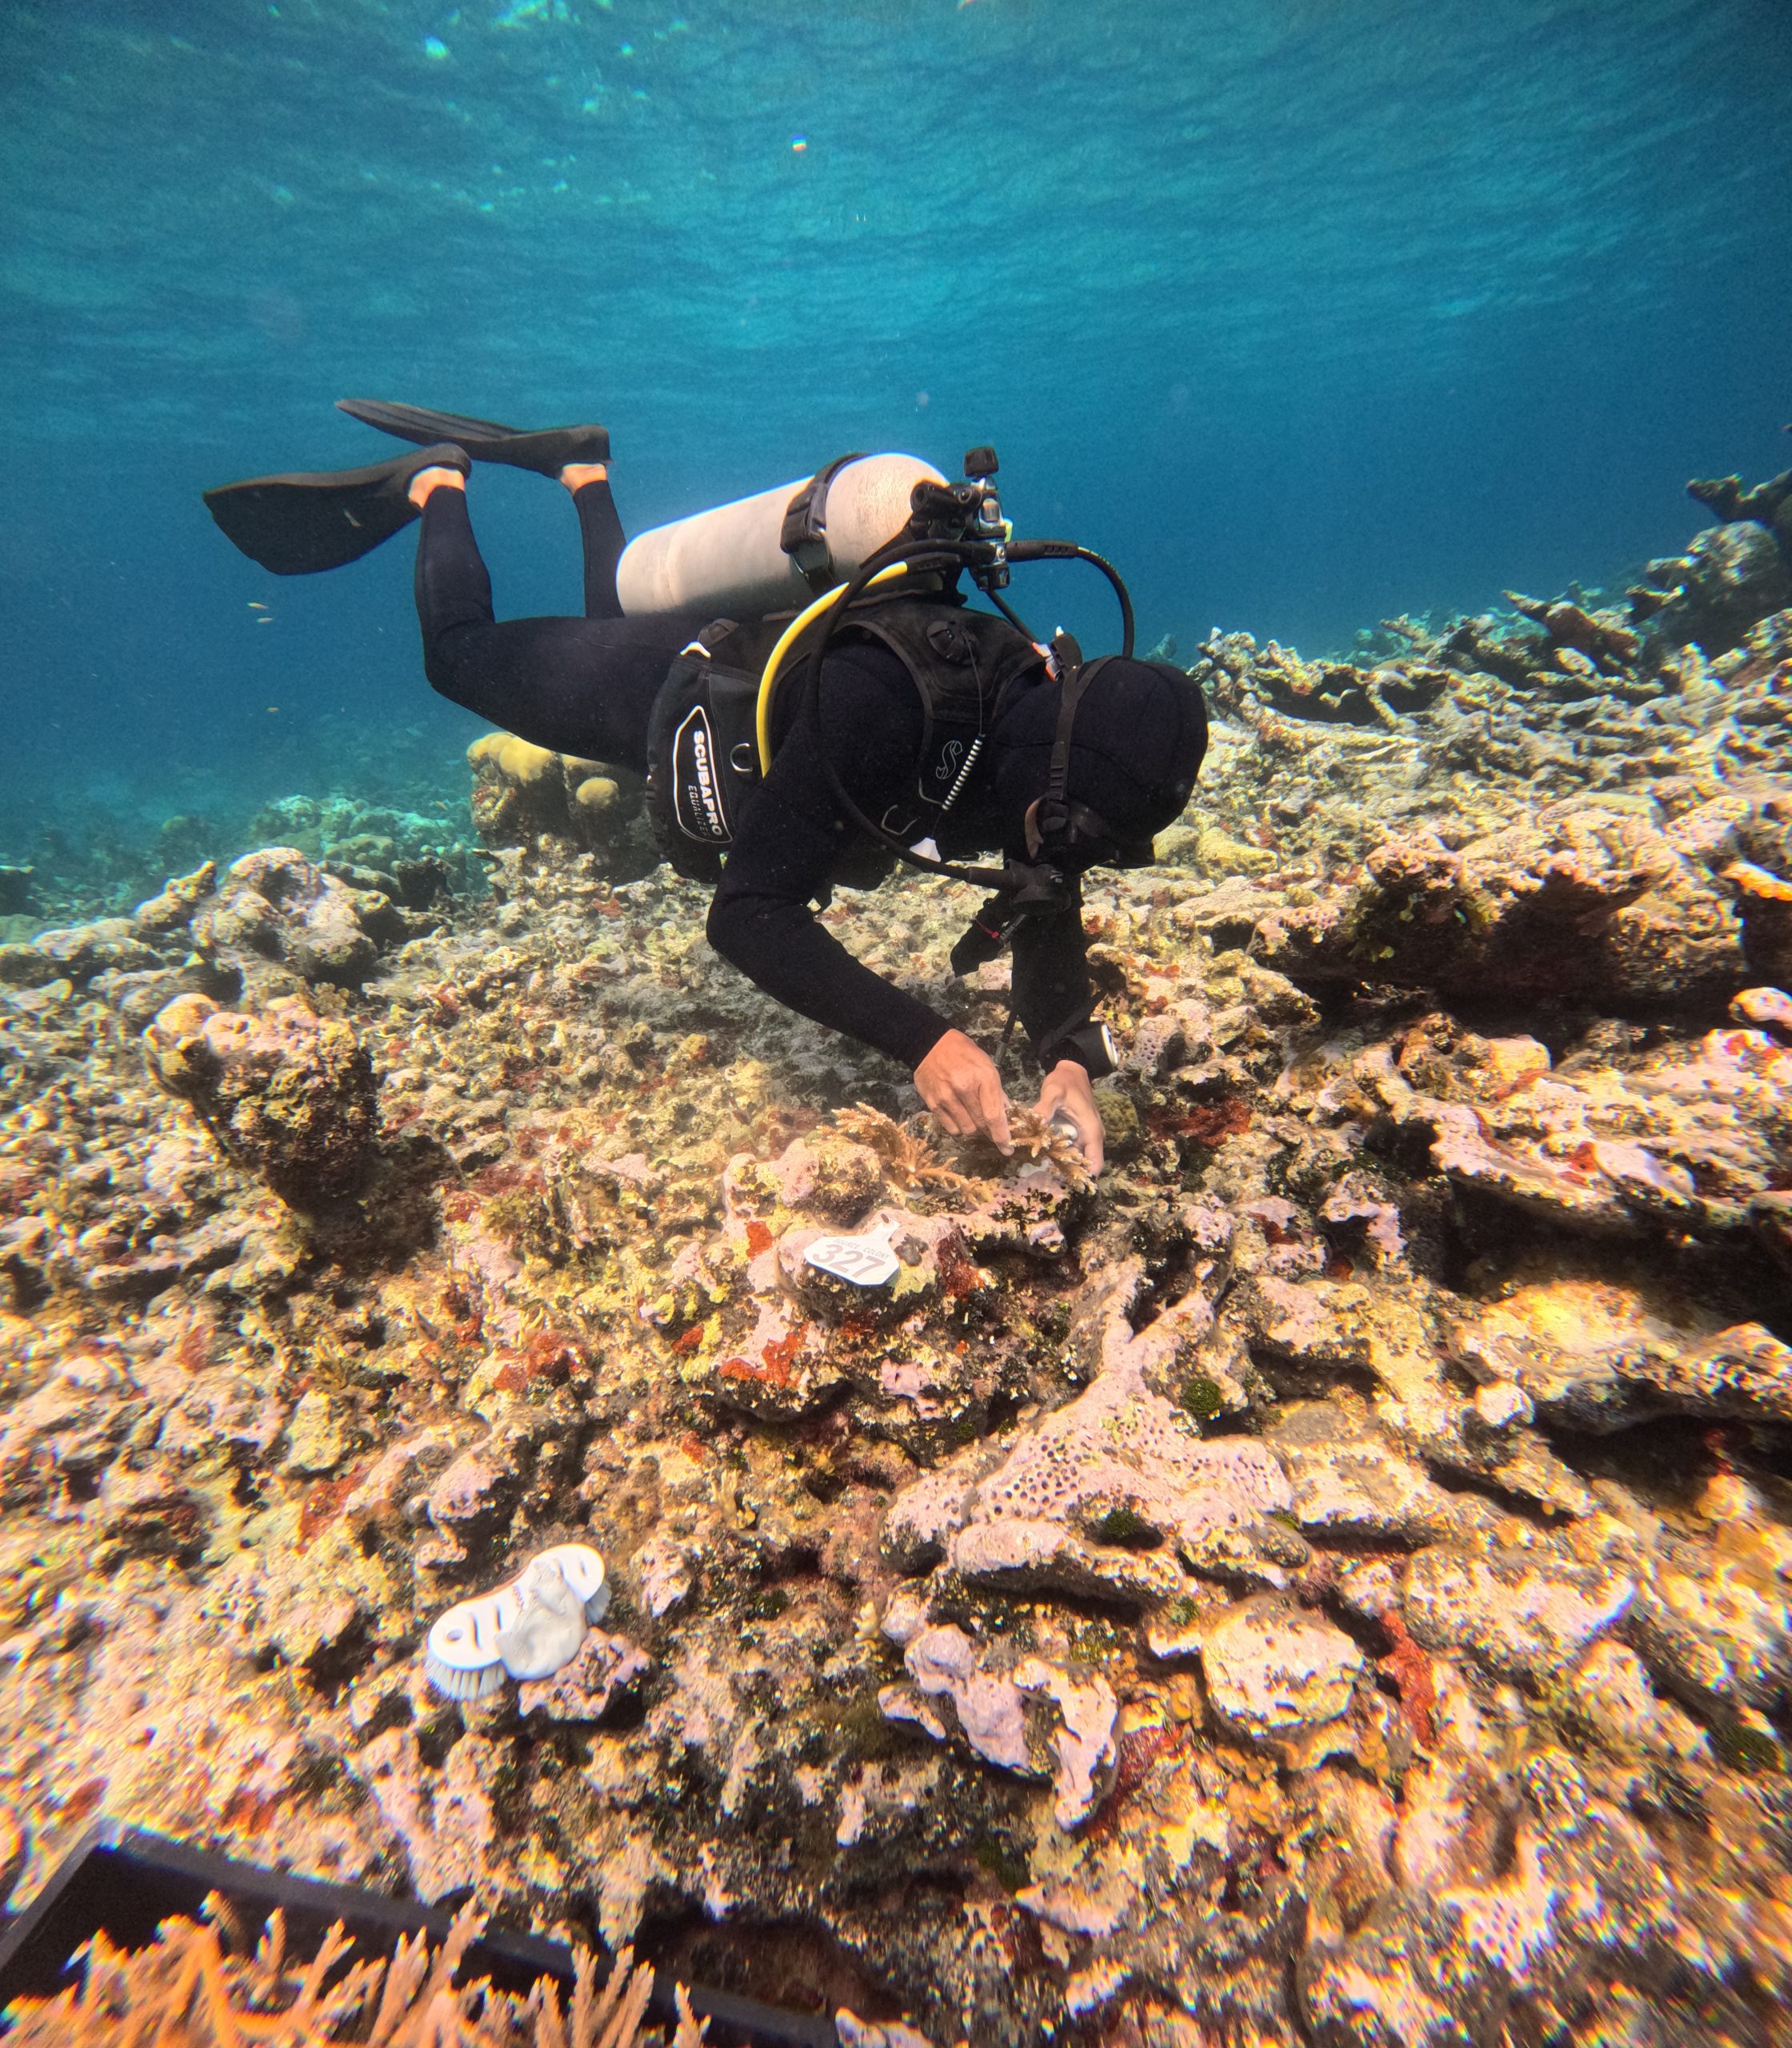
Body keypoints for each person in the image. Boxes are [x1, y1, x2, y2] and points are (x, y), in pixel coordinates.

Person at [202, 410, 1208, 1172]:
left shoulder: (1042, 730)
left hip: (757, 700)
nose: (1066, 855)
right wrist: (923, 1040)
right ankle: (436, 481)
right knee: (458, 658)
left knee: (612, 605)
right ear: (1057, 769)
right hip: (669, 695)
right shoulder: (890, 703)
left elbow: (1043, 886)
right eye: (1077, 831)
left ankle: (581, 470)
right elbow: (748, 913)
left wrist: (1066, 1056)